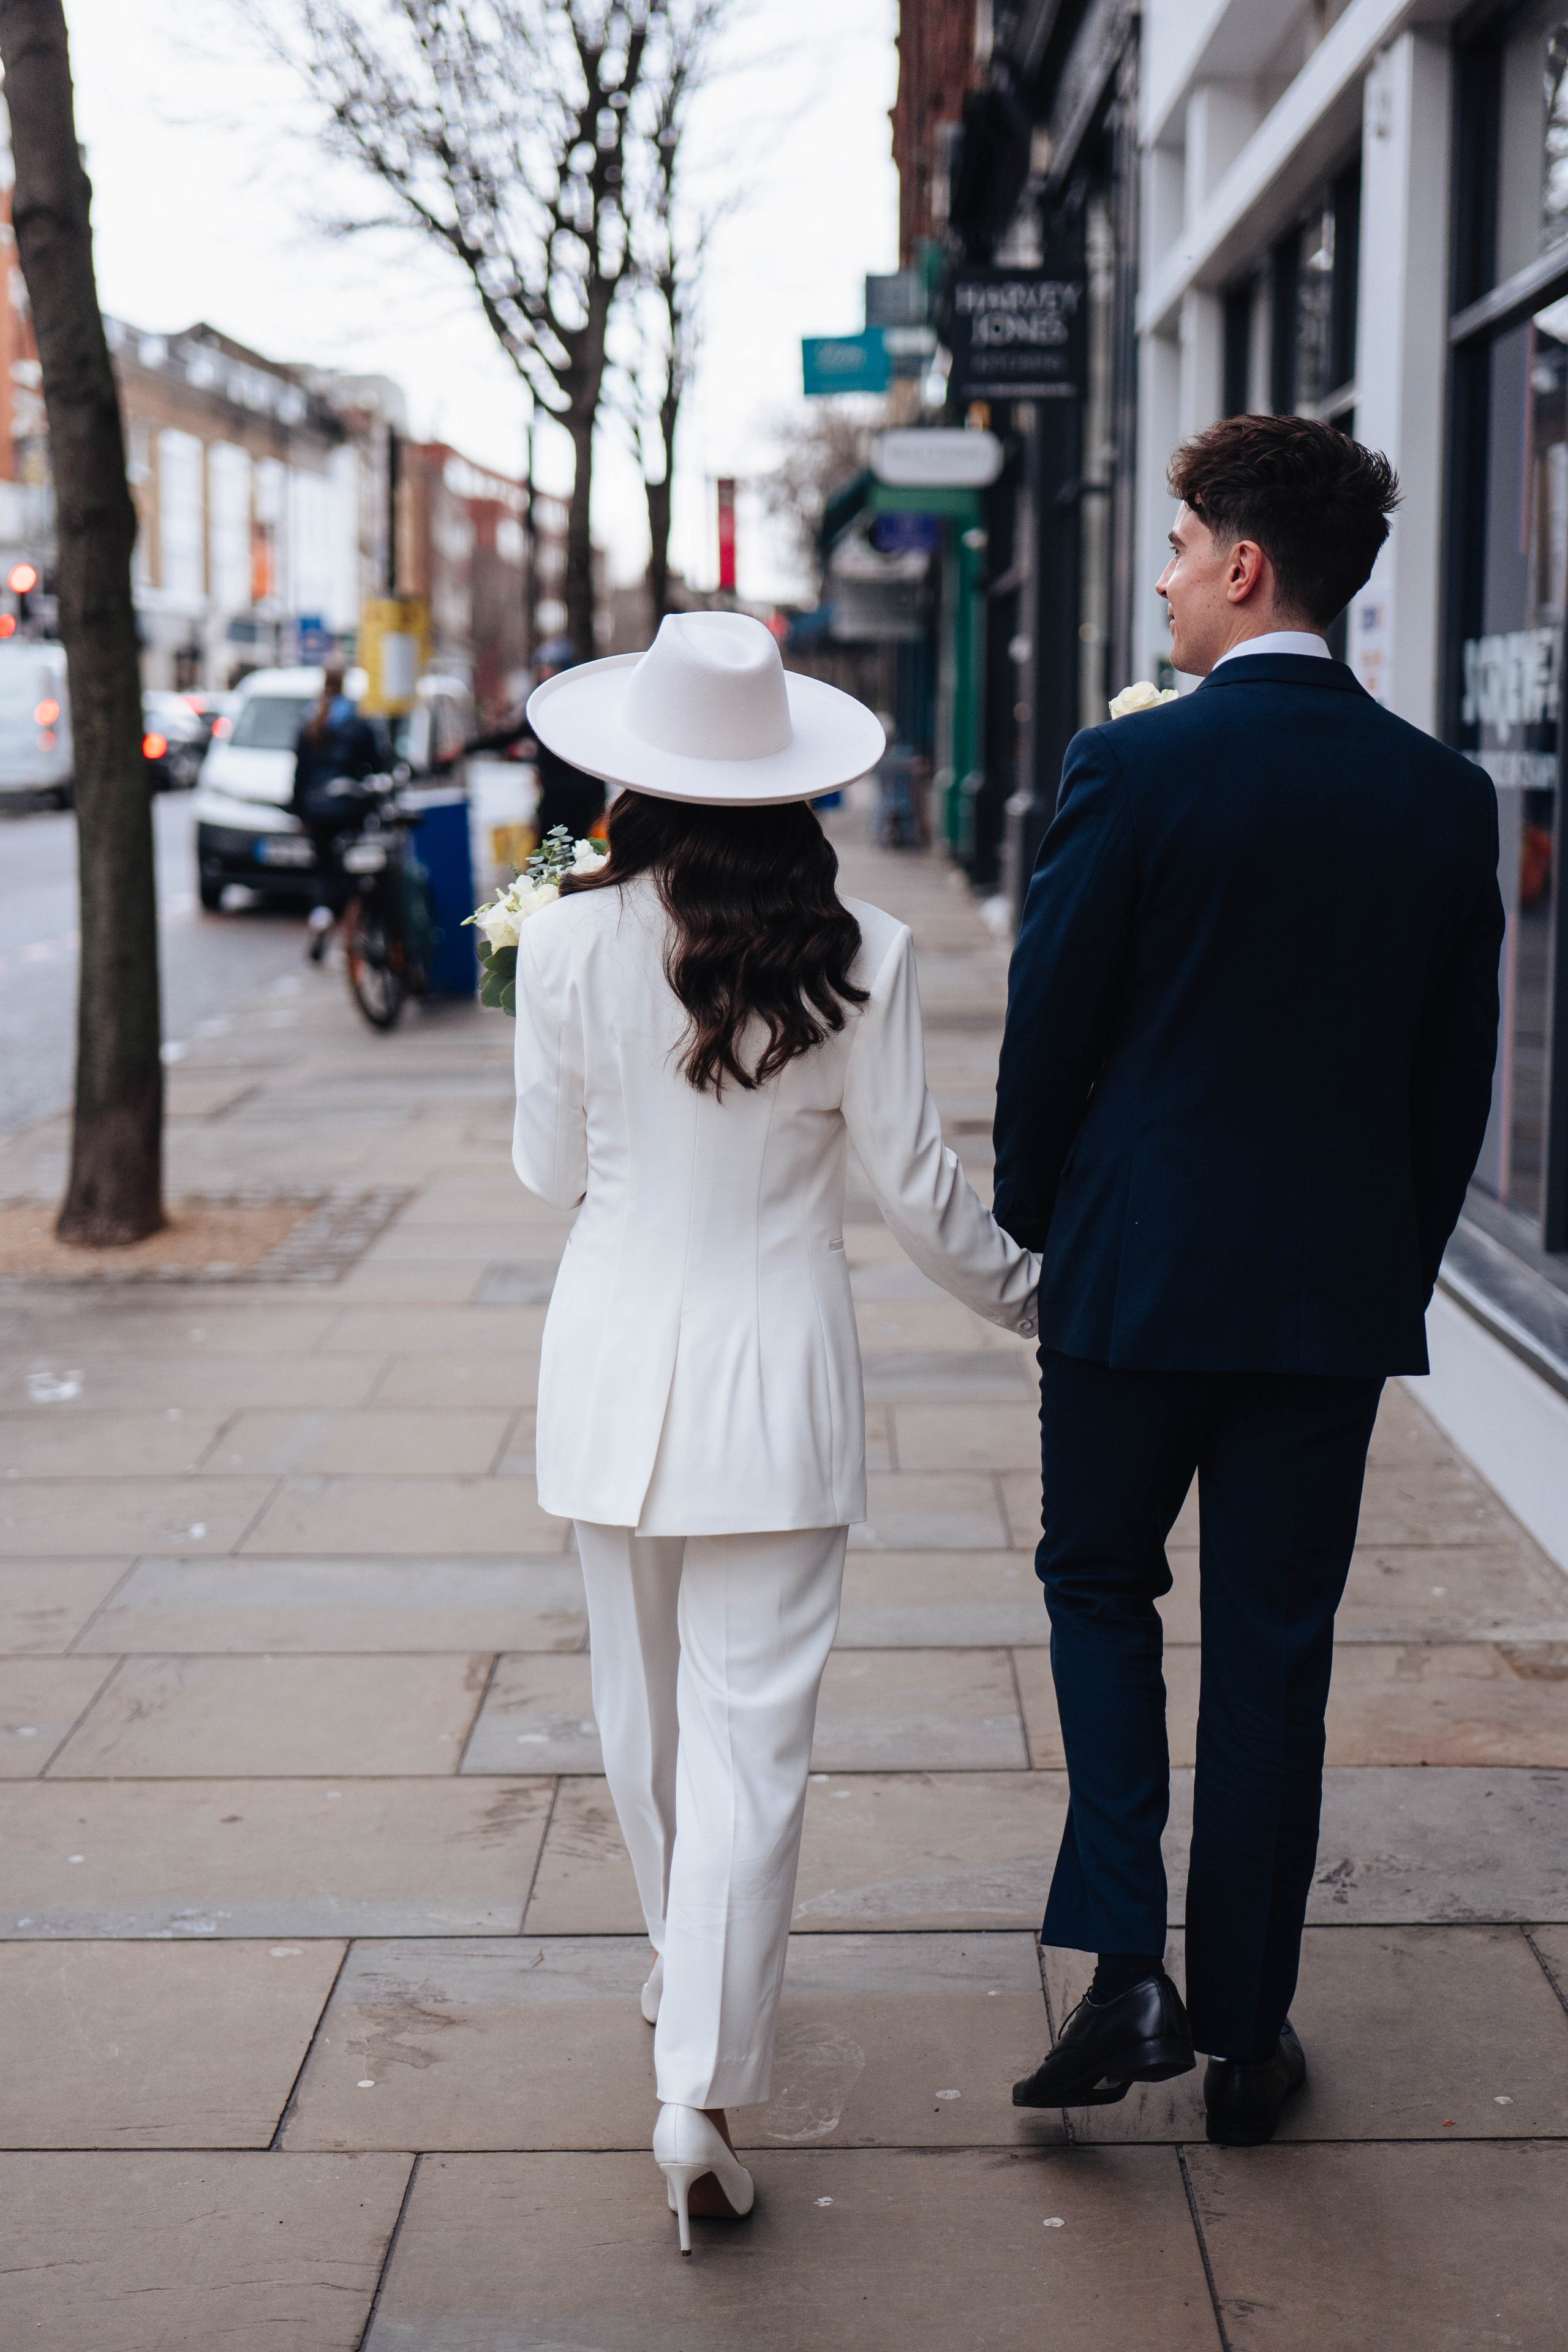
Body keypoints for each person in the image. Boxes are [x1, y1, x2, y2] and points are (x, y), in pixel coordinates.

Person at [992, 413, 1504, 2147]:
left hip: (1135, 1281)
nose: (1158, 576)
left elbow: (1047, 1034)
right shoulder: (1445, 799)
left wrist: (1044, 1221)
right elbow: (1457, 1092)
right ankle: (1250, 2036)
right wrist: (1382, 1265)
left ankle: (1130, 1961)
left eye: (1177, 542)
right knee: (1275, 1655)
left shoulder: (1131, 770)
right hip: (1322, 1304)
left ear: (1244, 565)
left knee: (1098, 1591)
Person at [511, 611, 1039, 2249]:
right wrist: (1035, 1299)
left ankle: (688, 1990)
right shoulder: (865, 951)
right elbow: (922, 1195)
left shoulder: (557, 938)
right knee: (754, 1743)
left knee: (643, 1722)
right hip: (778, 1383)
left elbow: (545, 1174)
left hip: (609, 1371)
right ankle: (698, 2076)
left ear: (636, 782)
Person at [291, 662, 380, 960]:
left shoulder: (310, 720)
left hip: (316, 810)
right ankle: (356, 926)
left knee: (323, 869)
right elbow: (375, 767)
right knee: (356, 869)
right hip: (349, 810)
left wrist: (299, 811)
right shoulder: (356, 721)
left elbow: (300, 773)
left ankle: (320, 917)